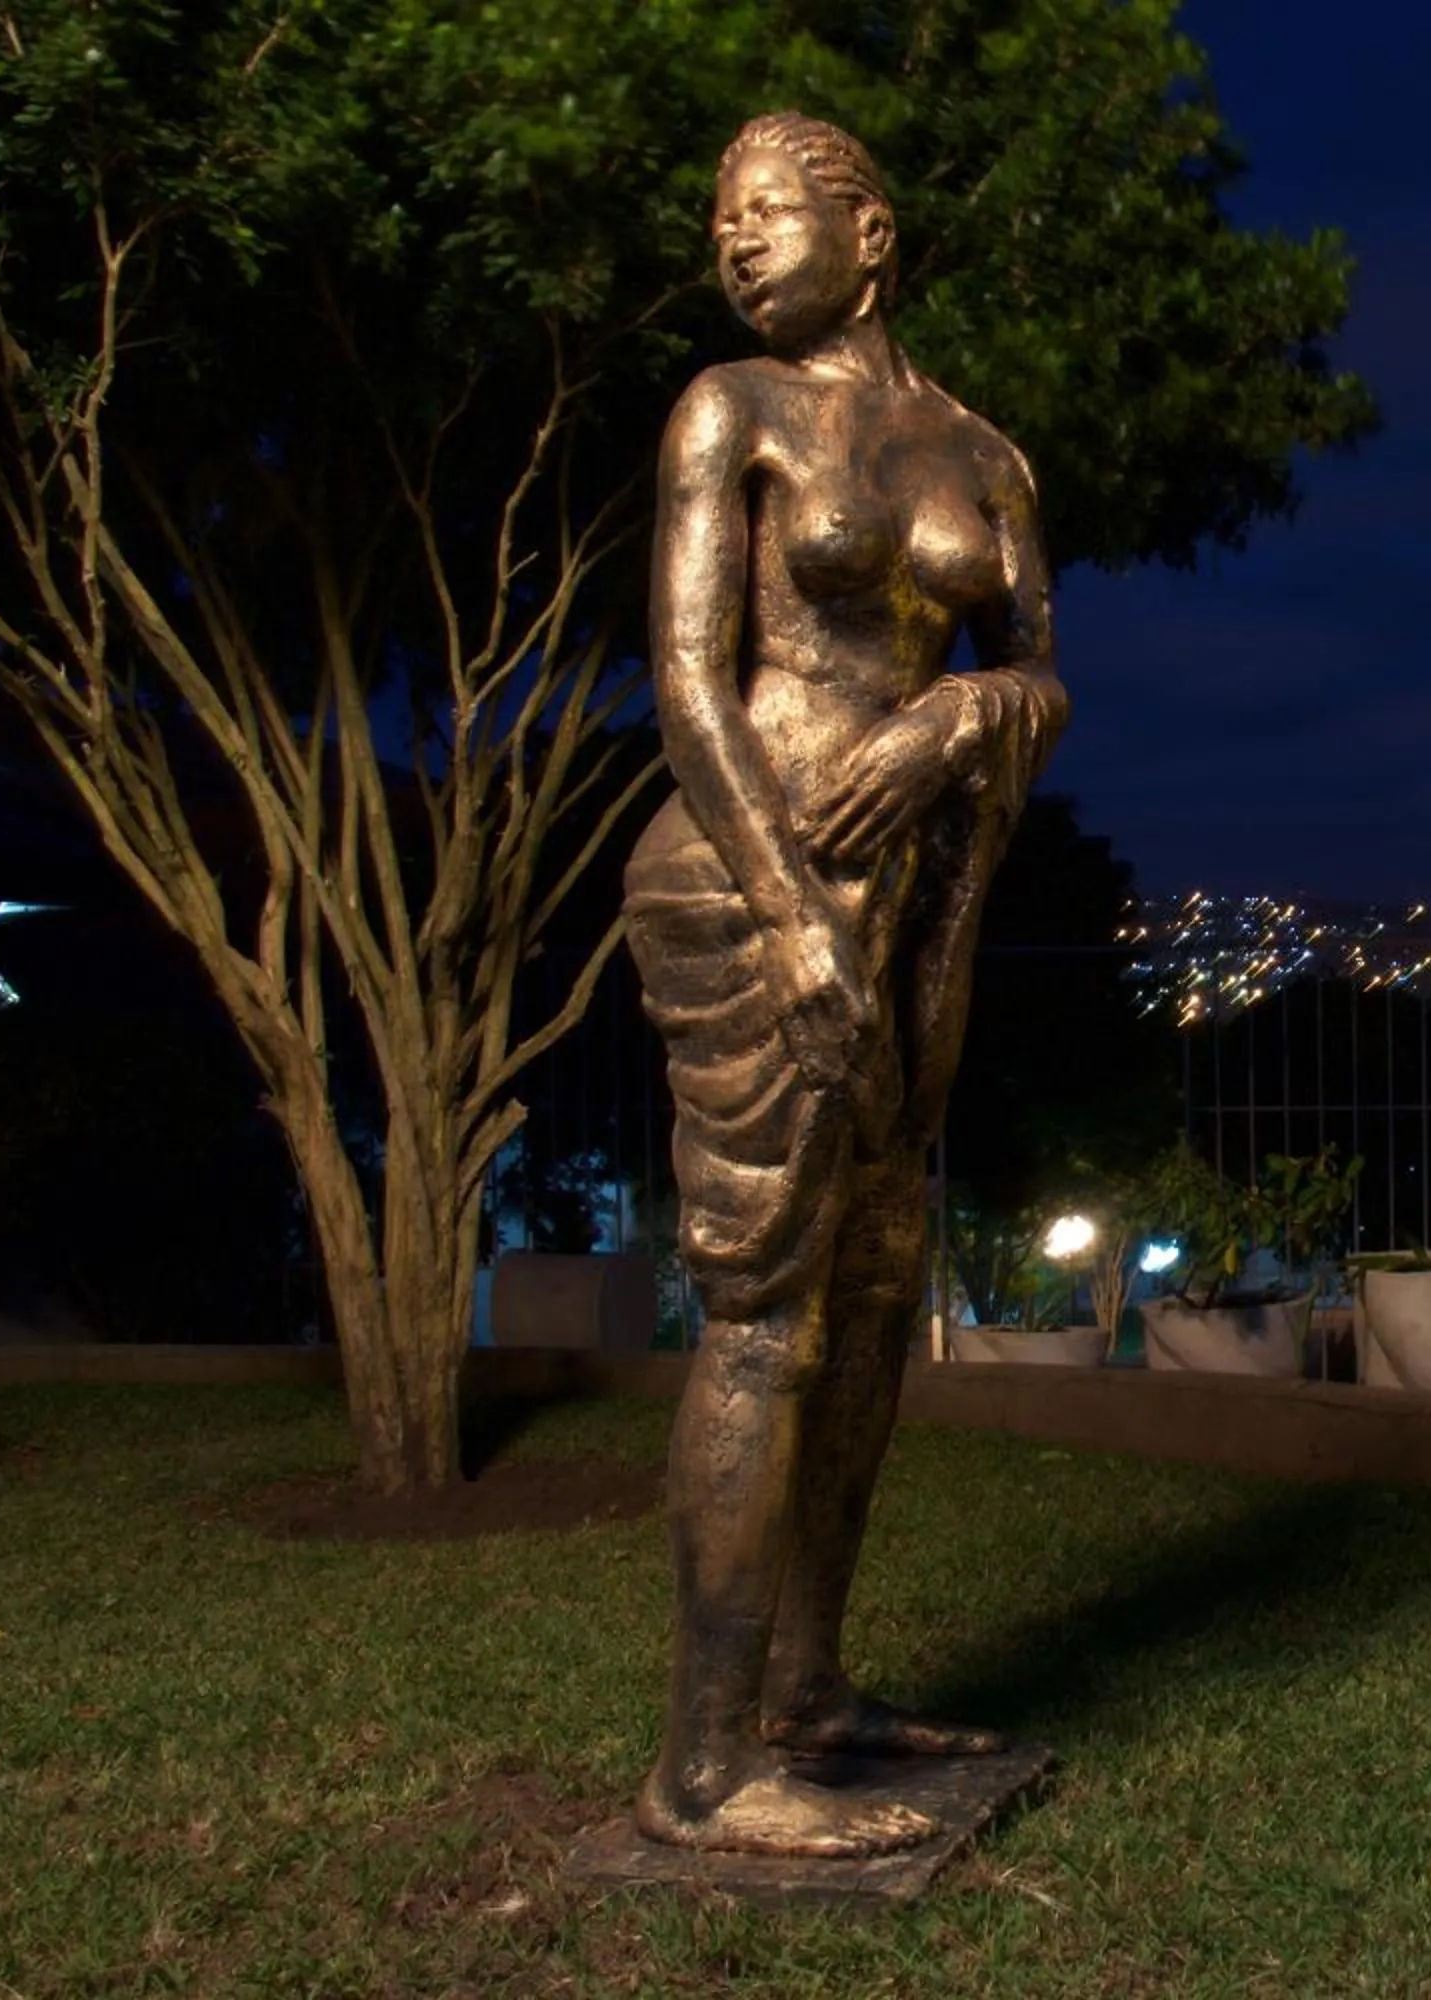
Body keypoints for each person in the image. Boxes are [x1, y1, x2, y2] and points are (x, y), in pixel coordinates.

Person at [621, 110, 1065, 1858]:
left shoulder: (982, 455)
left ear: (868, 234)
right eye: (721, 219)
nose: (735, 243)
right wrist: (792, 906)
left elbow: (1036, 668)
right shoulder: (730, 410)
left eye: (767, 211)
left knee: (875, 1292)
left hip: (916, 901)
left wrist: (965, 716)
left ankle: (803, 1689)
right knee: (765, 1311)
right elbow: (686, 678)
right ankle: (707, 1768)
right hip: (757, 887)